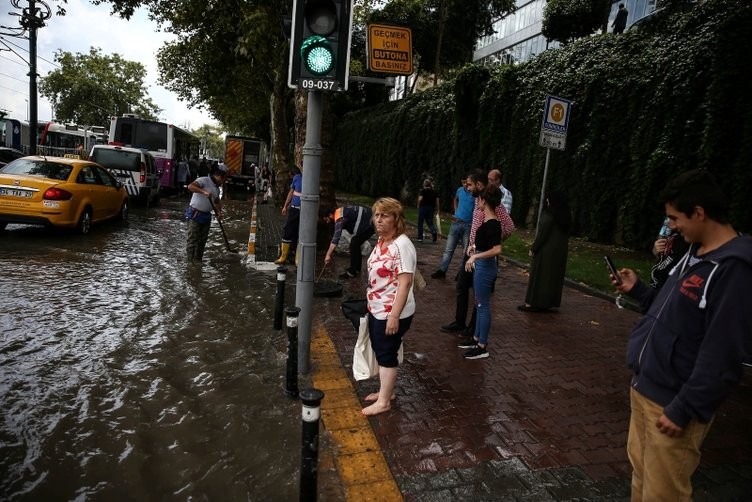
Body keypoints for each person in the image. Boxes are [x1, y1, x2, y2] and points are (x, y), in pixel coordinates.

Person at [611, 169, 752, 501]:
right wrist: (640, 291)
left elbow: (724, 352)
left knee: (663, 495)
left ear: (699, 212)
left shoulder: (735, 269)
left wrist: (684, 407)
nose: (671, 226)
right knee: (642, 483)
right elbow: (671, 312)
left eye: (675, 218)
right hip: (645, 389)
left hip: (672, 405)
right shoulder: (693, 252)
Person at [440, 169, 515, 336]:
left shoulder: (493, 204)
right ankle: (459, 322)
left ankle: (473, 329)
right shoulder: (477, 201)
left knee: (478, 291)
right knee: (462, 285)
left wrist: (493, 240)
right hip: (471, 251)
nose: (467, 187)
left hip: (482, 254)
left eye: (469, 184)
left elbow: (509, 227)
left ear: (479, 185)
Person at [362, 197, 416, 416]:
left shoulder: (402, 245)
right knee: (382, 348)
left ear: (396, 218)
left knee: (386, 353)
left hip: (392, 311)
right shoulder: (382, 241)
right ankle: (386, 391)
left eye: (385, 215)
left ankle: (384, 401)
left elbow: (405, 283)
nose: (379, 220)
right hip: (377, 307)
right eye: (376, 215)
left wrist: (394, 316)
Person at [456, 186, 503, 359]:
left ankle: (482, 346)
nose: (477, 202)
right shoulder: (488, 221)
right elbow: (488, 245)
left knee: (483, 306)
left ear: (484, 200)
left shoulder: (493, 224)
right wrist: (476, 249)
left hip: (485, 269)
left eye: (479, 199)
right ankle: (476, 338)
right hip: (482, 267)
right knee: (479, 304)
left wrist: (475, 257)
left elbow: (497, 250)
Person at [518, 191, 571, 312]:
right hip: (559, 253)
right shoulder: (565, 216)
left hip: (545, 251)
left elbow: (542, 234)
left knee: (539, 276)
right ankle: (548, 302)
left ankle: (532, 303)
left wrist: (533, 248)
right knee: (552, 278)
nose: (546, 201)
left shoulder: (549, 214)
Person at [432, 175, 475, 279]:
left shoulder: (475, 194)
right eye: (463, 182)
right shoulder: (460, 190)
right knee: (449, 249)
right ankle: (442, 270)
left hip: (468, 225)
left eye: (467, 183)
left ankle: (461, 273)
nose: (465, 185)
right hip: (456, 222)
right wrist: (456, 210)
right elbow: (455, 199)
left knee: (466, 251)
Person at [185, 163, 228, 261]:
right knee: (192, 240)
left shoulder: (216, 188)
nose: (223, 183)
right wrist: (204, 192)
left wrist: (219, 213)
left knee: (202, 241)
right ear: (219, 177)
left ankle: (198, 261)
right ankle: (190, 263)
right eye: (223, 180)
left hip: (206, 216)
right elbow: (190, 187)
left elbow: (216, 201)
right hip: (195, 215)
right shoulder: (203, 180)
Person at [323, 205, 375, 279]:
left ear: (330, 215)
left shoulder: (339, 218)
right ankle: (357, 268)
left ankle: (352, 272)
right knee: (355, 243)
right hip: (369, 220)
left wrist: (328, 255)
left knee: (354, 243)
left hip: (370, 224)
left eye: (327, 220)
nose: (327, 222)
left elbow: (335, 239)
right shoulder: (339, 211)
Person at [274, 168, 303, 265]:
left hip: (305, 212)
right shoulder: (297, 178)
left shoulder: (313, 179)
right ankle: (283, 256)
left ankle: (297, 258)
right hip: (294, 209)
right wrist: (285, 206)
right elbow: (291, 192)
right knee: (288, 231)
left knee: (301, 234)